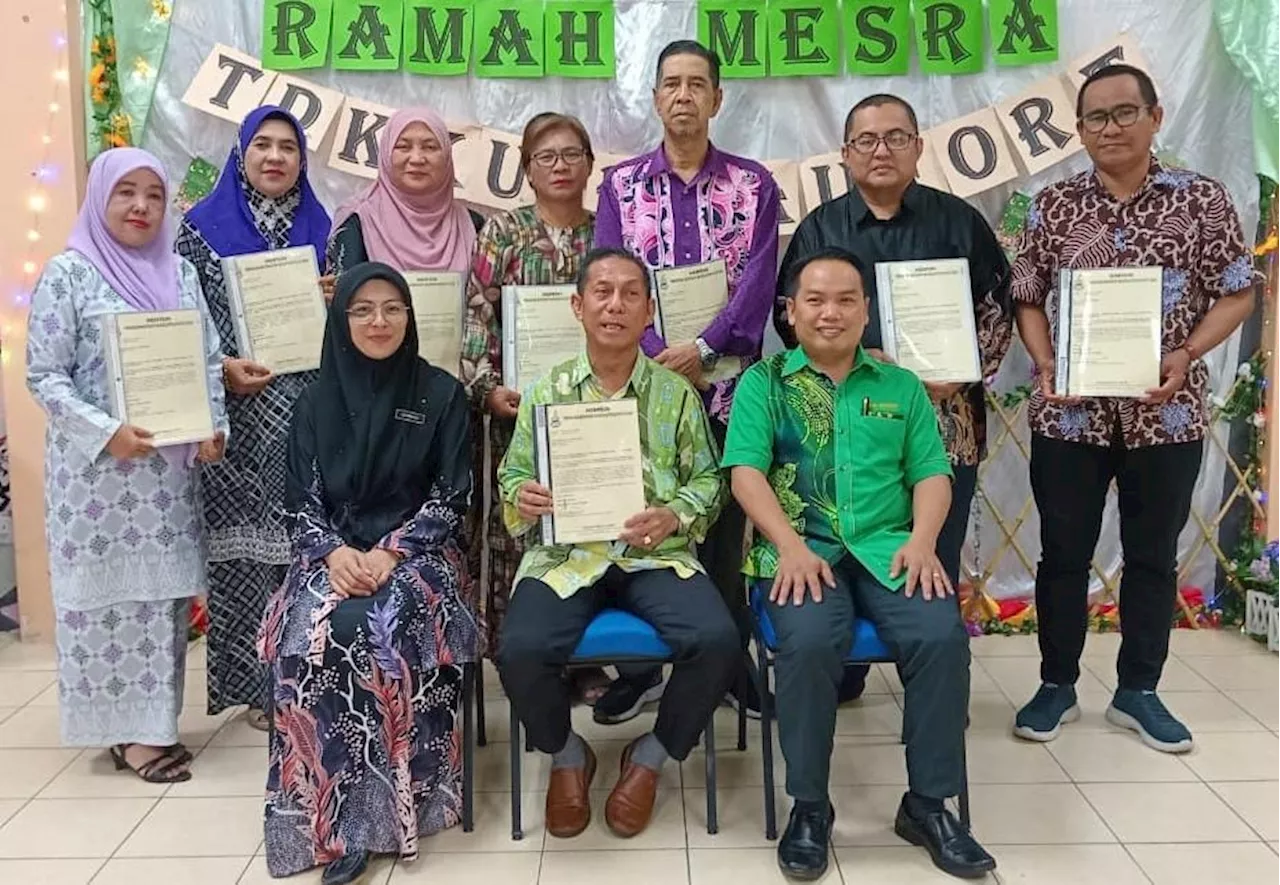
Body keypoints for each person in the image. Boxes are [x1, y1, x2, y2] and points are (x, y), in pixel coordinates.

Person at [724, 248, 997, 881]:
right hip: (801, 553)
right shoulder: (765, 384)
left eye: (846, 300)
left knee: (938, 637)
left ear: (866, 311)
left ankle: (928, 805)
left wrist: (925, 539)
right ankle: (810, 807)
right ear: (790, 312)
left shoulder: (900, 385)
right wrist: (788, 545)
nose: (831, 312)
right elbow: (744, 472)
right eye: (815, 300)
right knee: (812, 642)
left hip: (890, 549)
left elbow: (932, 472)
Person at [1010, 64, 1259, 753]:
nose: (1110, 128)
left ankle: (1138, 690)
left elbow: (1237, 290)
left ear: (1156, 116)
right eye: (1095, 118)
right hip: (1069, 414)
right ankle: (1056, 682)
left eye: (1124, 113)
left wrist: (1186, 353)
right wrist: (1045, 361)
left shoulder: (1203, 200)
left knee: (1152, 554)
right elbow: (1027, 294)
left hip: (1167, 411)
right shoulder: (1053, 205)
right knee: (1062, 553)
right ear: (1079, 130)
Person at [774, 94, 1012, 704]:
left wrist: (961, 373)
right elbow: (786, 317)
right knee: (843, 535)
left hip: (944, 417)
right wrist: (849, 363)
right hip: (840, 424)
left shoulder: (960, 222)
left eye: (896, 137)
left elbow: (998, 308)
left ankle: (931, 682)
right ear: (846, 153)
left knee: (934, 548)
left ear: (918, 146)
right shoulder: (820, 229)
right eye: (867, 140)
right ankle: (843, 675)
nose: (881, 150)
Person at [496, 248, 740, 840]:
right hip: (566, 555)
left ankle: (653, 754)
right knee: (518, 650)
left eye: (631, 293)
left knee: (718, 640)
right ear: (578, 307)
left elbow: (710, 480)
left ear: (648, 310)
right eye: (602, 292)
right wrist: (523, 495)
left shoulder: (676, 393)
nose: (615, 305)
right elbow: (511, 475)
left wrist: (675, 514)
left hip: (653, 553)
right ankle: (567, 753)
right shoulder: (547, 389)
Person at [257, 262, 479, 885]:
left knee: (375, 624)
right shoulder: (313, 402)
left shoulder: (441, 394)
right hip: (331, 556)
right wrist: (333, 553)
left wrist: (391, 551)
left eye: (392, 309)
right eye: (362, 310)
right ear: (340, 318)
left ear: (411, 317)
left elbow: (452, 496)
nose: (378, 322)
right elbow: (299, 501)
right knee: (310, 629)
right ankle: (331, 823)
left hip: (420, 556)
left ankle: (397, 805)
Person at [26, 147, 228, 784]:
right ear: (99, 198)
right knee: (108, 609)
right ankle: (125, 736)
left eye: (154, 195)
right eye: (126, 193)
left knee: (163, 604)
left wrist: (213, 425)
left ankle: (154, 726)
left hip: (166, 477)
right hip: (98, 482)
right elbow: (45, 375)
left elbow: (207, 359)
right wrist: (106, 430)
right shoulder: (70, 274)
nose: (142, 207)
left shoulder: (179, 273)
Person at [593, 39, 780, 722]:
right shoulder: (620, 186)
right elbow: (609, 276)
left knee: (725, 534)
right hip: (643, 392)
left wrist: (702, 348)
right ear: (654, 98)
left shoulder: (754, 184)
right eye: (670, 83)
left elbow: (759, 283)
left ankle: (728, 665)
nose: (683, 96)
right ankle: (642, 668)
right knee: (642, 530)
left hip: (730, 388)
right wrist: (654, 351)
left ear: (717, 98)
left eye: (696, 84)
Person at [175, 105, 332, 729]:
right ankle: (260, 688)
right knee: (245, 558)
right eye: (262, 145)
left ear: (301, 161)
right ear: (241, 155)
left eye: (288, 148)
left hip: (310, 415)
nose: (275, 157)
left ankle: (311, 674)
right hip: (238, 420)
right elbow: (184, 326)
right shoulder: (199, 231)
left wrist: (337, 295)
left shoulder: (327, 228)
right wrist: (222, 369)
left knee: (308, 546)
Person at [461, 112, 605, 698]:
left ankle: (585, 656)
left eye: (572, 154)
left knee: (584, 524)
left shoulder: (608, 233)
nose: (561, 166)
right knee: (519, 526)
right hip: (517, 410)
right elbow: (477, 313)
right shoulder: (503, 234)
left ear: (591, 164)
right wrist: (488, 387)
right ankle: (521, 655)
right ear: (526, 170)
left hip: (593, 411)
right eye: (546, 156)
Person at [326, 106, 484, 277]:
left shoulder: (473, 225)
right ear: (386, 155)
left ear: (447, 156)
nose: (417, 159)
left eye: (430, 147)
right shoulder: (357, 220)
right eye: (403, 147)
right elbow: (345, 295)